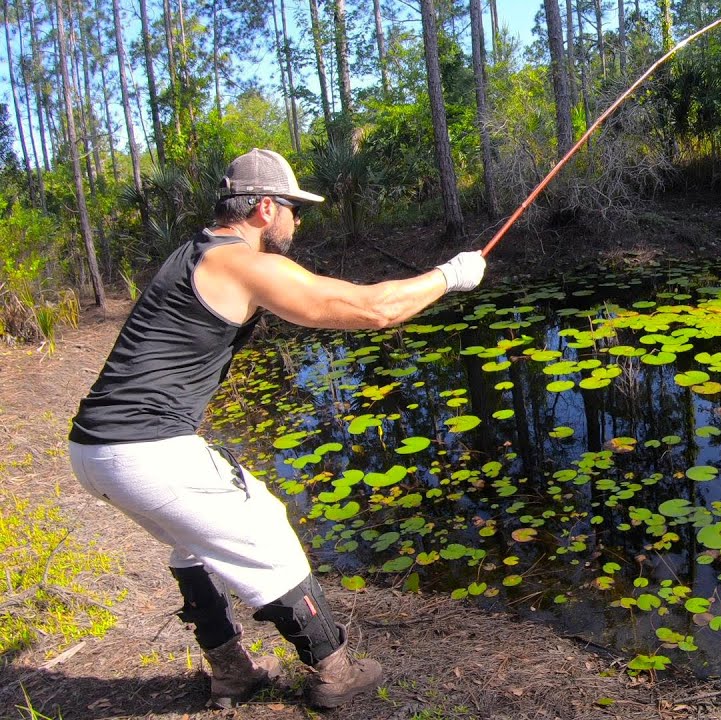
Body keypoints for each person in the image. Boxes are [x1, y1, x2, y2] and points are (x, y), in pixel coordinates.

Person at [66, 148, 486, 709]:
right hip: (144, 450)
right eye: (292, 207)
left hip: (95, 448)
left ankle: (232, 671)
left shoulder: (195, 253)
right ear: (265, 208)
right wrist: (450, 276)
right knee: (267, 530)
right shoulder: (242, 263)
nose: (297, 220)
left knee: (193, 544)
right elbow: (371, 308)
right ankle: (335, 671)